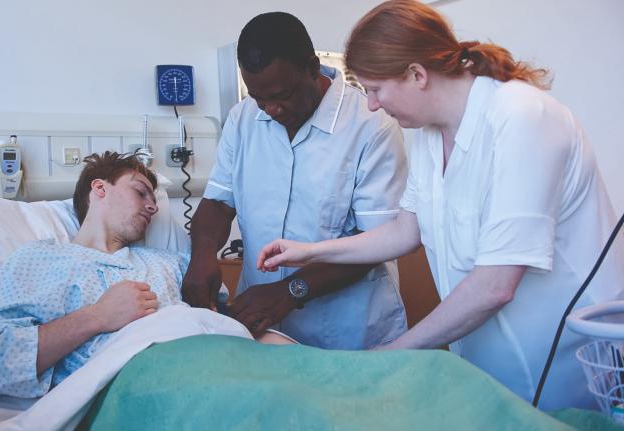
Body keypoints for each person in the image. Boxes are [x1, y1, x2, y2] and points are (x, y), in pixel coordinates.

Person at [257, 0, 624, 410]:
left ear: (416, 74)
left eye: (375, 90)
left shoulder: (521, 118)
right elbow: (405, 231)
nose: (373, 105)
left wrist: (390, 354)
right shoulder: (430, 137)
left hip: (571, 364)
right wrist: (310, 251)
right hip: (491, 365)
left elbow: (495, 285)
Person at [0, 152, 289, 398]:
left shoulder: (170, 263)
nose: (153, 206)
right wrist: (97, 317)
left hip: (231, 366)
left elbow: (224, 322)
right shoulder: (40, 260)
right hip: (151, 389)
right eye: (140, 192)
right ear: (99, 188)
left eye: (153, 198)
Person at [181, 12, 408, 350]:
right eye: (259, 98)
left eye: (282, 95)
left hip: (348, 331)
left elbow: (377, 241)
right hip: (261, 322)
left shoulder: (371, 127)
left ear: (312, 68)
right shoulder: (243, 119)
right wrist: (202, 257)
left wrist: (290, 291)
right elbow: (218, 200)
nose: (272, 109)